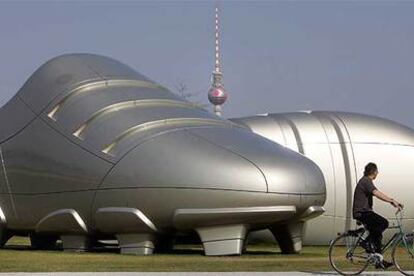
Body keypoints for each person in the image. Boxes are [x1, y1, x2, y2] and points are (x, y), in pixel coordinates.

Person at [352, 162, 403, 269]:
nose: (377, 173)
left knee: (377, 235)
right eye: (377, 171)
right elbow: (377, 193)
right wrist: (391, 201)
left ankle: (379, 261)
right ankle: (366, 242)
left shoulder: (365, 181)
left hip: (364, 212)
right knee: (384, 223)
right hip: (362, 212)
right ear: (374, 172)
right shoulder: (366, 181)